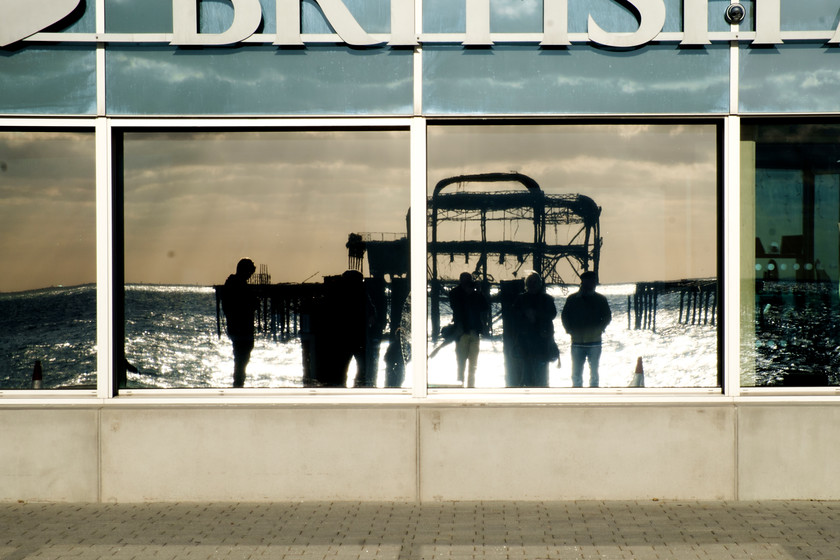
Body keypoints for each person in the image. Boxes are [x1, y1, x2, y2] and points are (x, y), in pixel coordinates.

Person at [561, 271, 611, 388]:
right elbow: (565, 316)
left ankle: (593, 395)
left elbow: (607, 317)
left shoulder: (601, 299)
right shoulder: (572, 299)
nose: (592, 284)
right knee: (576, 374)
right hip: (577, 342)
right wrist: (569, 330)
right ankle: (577, 396)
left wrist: (600, 328)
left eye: (593, 282)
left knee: (594, 373)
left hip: (595, 342)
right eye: (590, 281)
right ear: (583, 282)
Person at [510, 272, 558, 387]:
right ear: (526, 284)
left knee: (542, 377)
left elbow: (552, 314)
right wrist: (525, 315)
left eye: (535, 282)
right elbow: (514, 318)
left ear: (540, 284)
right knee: (526, 376)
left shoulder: (547, 299)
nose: (533, 285)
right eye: (530, 282)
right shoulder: (520, 299)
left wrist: (536, 314)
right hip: (525, 343)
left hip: (542, 342)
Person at [448, 272, 489, 387]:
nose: (466, 283)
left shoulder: (476, 294)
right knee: (461, 361)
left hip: (474, 331)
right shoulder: (455, 293)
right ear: (460, 280)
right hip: (461, 331)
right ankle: (460, 383)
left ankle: (471, 385)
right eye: (465, 280)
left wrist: (479, 292)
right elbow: (456, 307)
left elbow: (485, 307)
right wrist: (468, 294)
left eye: (468, 280)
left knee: (473, 362)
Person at [221, 258, 258, 388]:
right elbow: (245, 304)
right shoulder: (238, 285)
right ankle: (238, 385)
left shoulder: (232, 283)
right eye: (249, 272)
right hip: (241, 329)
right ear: (244, 271)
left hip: (237, 328)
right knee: (241, 360)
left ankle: (238, 384)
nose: (250, 276)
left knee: (241, 360)